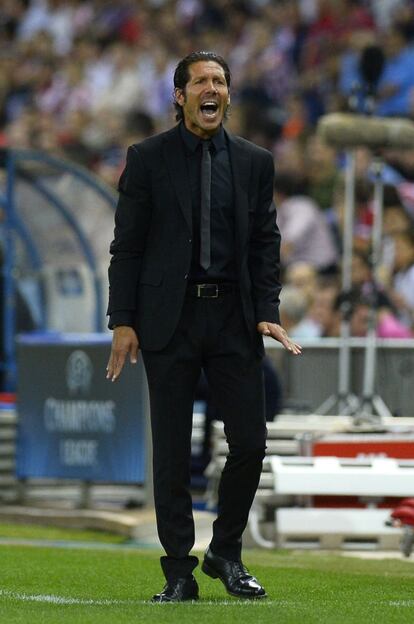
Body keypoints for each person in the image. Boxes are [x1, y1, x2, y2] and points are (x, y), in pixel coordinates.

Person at [105, 51, 301, 603]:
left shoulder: (255, 162)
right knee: (171, 450)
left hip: (234, 319)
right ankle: (178, 570)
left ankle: (226, 553)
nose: (211, 88)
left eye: (220, 81)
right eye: (200, 82)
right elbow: (128, 248)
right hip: (169, 320)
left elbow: (266, 243)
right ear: (180, 96)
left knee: (251, 442)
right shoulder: (146, 158)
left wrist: (269, 308)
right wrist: (123, 320)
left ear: (228, 96)